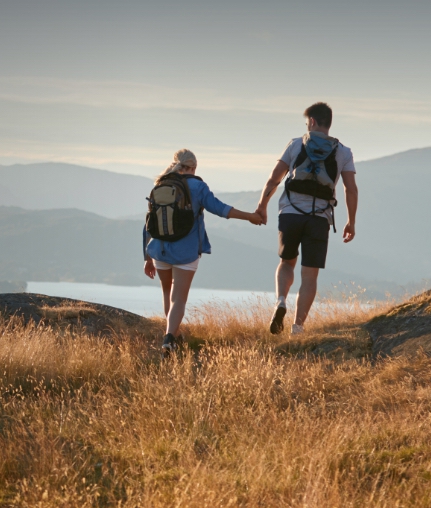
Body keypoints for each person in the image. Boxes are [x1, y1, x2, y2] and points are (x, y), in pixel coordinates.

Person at [143, 149, 264, 355]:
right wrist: (250, 216)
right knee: (178, 299)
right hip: (186, 251)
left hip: (159, 250)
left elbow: (148, 224)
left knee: (167, 294)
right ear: (194, 167)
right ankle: (169, 339)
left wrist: (147, 257)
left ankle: (174, 336)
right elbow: (220, 209)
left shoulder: (160, 185)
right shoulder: (198, 186)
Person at [252, 102, 358, 335]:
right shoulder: (344, 152)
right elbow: (351, 189)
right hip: (319, 219)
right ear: (328, 123)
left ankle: (281, 301)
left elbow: (274, 179)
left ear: (311, 122)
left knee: (286, 262)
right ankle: (297, 327)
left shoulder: (296, 144)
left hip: (290, 214)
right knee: (309, 276)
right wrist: (351, 221)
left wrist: (262, 206)